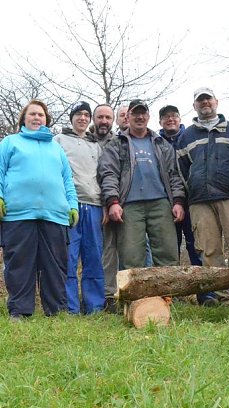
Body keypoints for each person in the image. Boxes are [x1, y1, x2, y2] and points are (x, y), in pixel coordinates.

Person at [0, 99, 78, 319]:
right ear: (23, 119)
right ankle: (20, 311)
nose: (37, 118)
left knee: (55, 266)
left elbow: (67, 180)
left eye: (41, 115)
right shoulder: (10, 142)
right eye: (33, 114)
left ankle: (56, 311)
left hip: (55, 215)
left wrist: (72, 205)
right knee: (20, 264)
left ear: (46, 120)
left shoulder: (56, 148)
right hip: (18, 214)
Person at [177, 87, 229, 306]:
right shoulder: (186, 136)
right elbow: (181, 169)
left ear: (216, 102)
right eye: (200, 100)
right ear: (194, 105)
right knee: (209, 249)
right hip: (198, 201)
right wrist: (193, 188)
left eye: (208, 99)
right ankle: (223, 298)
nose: (205, 103)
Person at [98, 99, 185, 269]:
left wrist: (178, 201)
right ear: (128, 116)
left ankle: (167, 295)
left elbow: (174, 174)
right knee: (131, 258)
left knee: (168, 255)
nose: (139, 117)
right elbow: (108, 174)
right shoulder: (116, 144)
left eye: (143, 113)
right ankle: (136, 296)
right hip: (129, 206)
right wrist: (113, 202)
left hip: (161, 204)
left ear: (148, 116)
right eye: (135, 113)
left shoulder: (162, 143)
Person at [158, 103, 217, 306]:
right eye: (166, 117)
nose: (170, 119)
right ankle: (170, 295)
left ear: (180, 118)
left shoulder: (190, 136)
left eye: (174, 115)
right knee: (169, 249)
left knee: (197, 247)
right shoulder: (155, 141)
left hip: (193, 201)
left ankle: (206, 293)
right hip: (165, 204)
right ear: (160, 122)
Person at [55, 101, 105, 314]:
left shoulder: (96, 145)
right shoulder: (58, 141)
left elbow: (104, 176)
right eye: (78, 114)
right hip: (70, 207)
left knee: (93, 257)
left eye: (86, 114)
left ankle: (94, 306)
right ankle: (70, 306)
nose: (83, 118)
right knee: (68, 258)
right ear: (71, 118)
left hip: (94, 206)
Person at [89, 104, 119, 312]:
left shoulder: (118, 142)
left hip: (111, 203)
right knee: (89, 252)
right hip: (88, 204)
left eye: (108, 117)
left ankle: (110, 295)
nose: (104, 121)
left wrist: (111, 203)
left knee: (110, 252)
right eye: (100, 117)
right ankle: (90, 298)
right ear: (93, 118)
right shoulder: (83, 140)